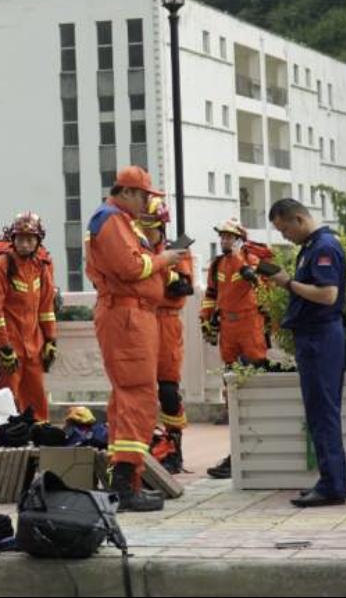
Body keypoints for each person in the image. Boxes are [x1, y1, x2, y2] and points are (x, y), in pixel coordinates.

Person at [85, 166, 185, 512]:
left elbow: (136, 265)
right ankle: (126, 485)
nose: (146, 202)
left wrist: (165, 271)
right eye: (144, 195)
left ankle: (127, 480)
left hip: (133, 314)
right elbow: (131, 268)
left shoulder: (120, 221)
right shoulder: (112, 220)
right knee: (137, 395)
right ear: (126, 192)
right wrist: (164, 261)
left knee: (130, 397)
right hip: (127, 316)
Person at [267, 198, 346, 508]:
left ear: (299, 218)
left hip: (320, 336)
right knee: (319, 412)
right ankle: (329, 480)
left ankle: (332, 485)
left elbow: (328, 295)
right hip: (316, 337)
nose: (284, 235)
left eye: (285, 228)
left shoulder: (323, 247)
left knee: (324, 411)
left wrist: (288, 283)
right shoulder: (313, 247)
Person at [200, 218, 269, 480]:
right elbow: (210, 294)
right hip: (228, 329)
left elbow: (263, 288)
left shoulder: (251, 261)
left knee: (254, 385)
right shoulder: (217, 264)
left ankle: (254, 448)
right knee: (230, 387)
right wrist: (206, 320)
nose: (225, 240)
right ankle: (236, 452)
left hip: (250, 326)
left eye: (230, 237)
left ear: (240, 239)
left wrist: (250, 270)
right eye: (223, 237)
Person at [0, 211, 58, 422]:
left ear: (38, 241)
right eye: (21, 239)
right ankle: (4, 440)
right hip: (9, 347)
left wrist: (51, 340)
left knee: (36, 398)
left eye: (30, 239)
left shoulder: (40, 268)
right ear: (13, 239)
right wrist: (4, 346)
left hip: (34, 346)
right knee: (7, 397)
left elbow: (46, 308)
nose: (25, 244)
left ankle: (40, 435)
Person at [139, 198, 193, 474]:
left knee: (168, 389)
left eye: (149, 226)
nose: (144, 231)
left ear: (161, 226)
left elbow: (184, 288)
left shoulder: (178, 251)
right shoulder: (137, 251)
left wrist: (163, 273)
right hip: (142, 320)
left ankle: (175, 448)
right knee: (140, 388)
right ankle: (148, 444)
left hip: (167, 324)